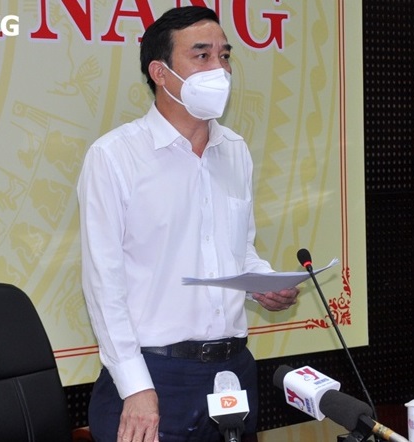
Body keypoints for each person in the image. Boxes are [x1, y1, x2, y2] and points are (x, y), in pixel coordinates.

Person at [77, 6, 300, 442]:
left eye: (225, 55)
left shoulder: (234, 150)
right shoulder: (115, 157)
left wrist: (264, 283)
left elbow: (240, 250)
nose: (219, 69)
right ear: (160, 73)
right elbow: (104, 285)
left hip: (234, 373)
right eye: (202, 56)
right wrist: (137, 388)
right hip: (155, 375)